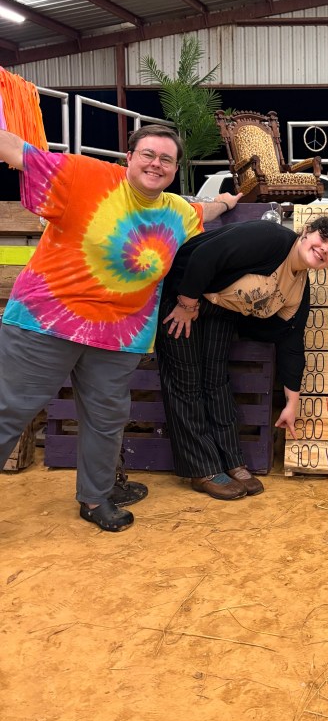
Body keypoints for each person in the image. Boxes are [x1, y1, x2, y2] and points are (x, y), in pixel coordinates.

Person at [0, 124, 239, 532]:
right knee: (8, 411)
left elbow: (204, 211)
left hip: (119, 336)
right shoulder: (84, 175)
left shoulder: (177, 211)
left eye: (166, 159)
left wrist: (227, 201)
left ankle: (95, 497)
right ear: (128, 158)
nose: (156, 164)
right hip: (46, 323)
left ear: (175, 169)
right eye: (148, 154)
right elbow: (17, 151)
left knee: (105, 420)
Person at [155, 215, 328, 499]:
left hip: (220, 312)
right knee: (186, 381)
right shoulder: (271, 239)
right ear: (306, 232)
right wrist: (186, 303)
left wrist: (291, 405)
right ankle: (202, 469)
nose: (325, 249)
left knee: (216, 381)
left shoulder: (298, 287)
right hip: (185, 296)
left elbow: (291, 341)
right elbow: (205, 254)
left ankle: (230, 460)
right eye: (324, 238)